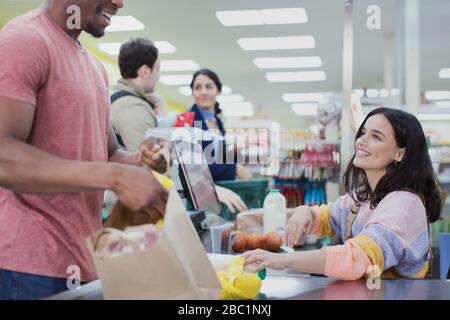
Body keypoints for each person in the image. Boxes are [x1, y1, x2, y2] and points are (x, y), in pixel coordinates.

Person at [0, 0, 169, 300]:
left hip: (86, 260)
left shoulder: (94, 67)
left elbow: (109, 154)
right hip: (30, 268)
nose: (119, 2)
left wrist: (140, 159)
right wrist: (115, 177)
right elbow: (4, 156)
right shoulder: (25, 40)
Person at [244, 108, 442, 280]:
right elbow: (329, 217)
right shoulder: (362, 196)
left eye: (376, 137)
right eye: (363, 133)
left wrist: (282, 260)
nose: (361, 141)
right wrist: (307, 211)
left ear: (400, 153)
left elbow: (356, 258)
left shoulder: (403, 204)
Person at [189, 69, 253, 182]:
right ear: (193, 92)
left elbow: (216, 157)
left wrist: (235, 150)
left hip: (219, 187)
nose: (203, 92)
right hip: (200, 190)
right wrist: (234, 168)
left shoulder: (218, 122)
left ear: (218, 91)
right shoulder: (189, 121)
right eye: (198, 87)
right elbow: (194, 166)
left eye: (208, 87)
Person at [110, 37, 161, 152]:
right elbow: (144, 161)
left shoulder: (111, 97)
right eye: (157, 69)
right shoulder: (136, 109)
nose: (158, 77)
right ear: (145, 71)